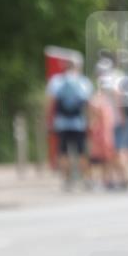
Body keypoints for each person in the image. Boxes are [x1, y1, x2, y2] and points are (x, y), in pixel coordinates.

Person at [45, 56, 93, 189]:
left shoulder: (56, 81)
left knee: (63, 151)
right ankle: (87, 179)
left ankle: (67, 180)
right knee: (82, 151)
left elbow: (51, 103)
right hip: (79, 123)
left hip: (61, 122)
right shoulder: (83, 81)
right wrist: (90, 121)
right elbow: (88, 104)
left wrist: (49, 119)